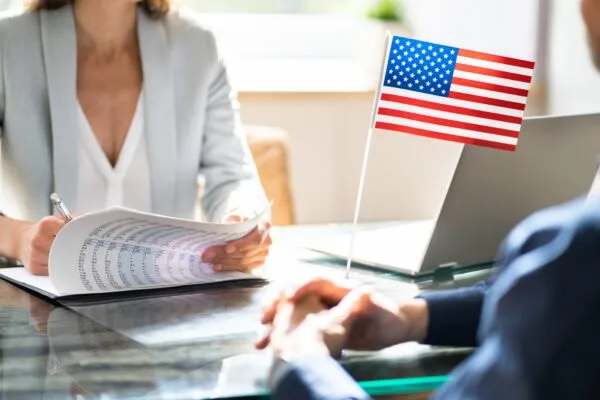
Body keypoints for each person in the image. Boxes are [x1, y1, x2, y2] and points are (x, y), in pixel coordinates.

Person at [256, 0, 600, 396]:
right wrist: (414, 316)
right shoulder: (571, 266)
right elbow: (560, 302)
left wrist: (301, 365)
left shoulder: (576, 253)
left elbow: (572, 286)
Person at [0, 0, 272, 276]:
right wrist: (19, 238)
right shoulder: (8, 44)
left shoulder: (198, 45)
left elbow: (233, 177)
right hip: (40, 309)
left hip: (172, 303)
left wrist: (240, 220)